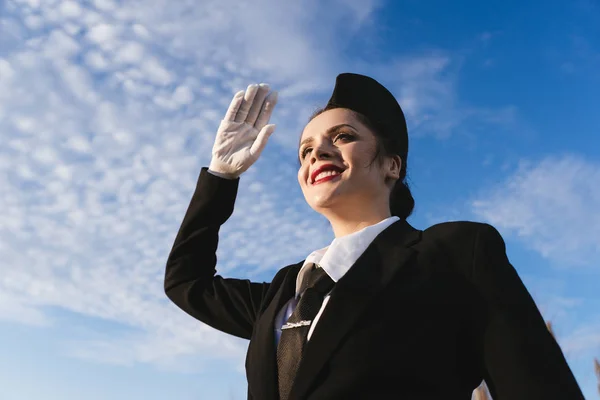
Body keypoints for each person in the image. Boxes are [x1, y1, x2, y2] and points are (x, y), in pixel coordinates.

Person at [164, 73, 584, 400]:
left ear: (392, 165)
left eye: (342, 137)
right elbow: (187, 282)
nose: (318, 153)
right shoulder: (282, 293)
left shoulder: (454, 254)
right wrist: (221, 177)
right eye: (305, 150)